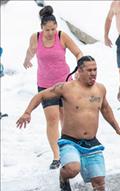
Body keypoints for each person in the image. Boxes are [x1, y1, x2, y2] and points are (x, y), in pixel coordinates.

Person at [17, 56, 120, 191]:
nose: (93, 73)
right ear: (80, 71)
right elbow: (41, 95)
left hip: (91, 143)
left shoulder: (100, 89)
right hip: (70, 141)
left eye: (95, 70)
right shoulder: (66, 88)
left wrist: (117, 129)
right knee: (72, 169)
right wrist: (27, 112)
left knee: (100, 187)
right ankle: (63, 177)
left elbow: (106, 109)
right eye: (89, 70)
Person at [23, 5, 83, 170]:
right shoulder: (35, 37)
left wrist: (79, 68)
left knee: (67, 118)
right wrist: (27, 59)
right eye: (47, 29)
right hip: (45, 84)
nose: (50, 32)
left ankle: (69, 150)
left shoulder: (62, 36)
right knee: (52, 119)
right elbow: (30, 51)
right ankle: (57, 156)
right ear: (41, 27)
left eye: (53, 28)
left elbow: (78, 53)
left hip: (65, 83)